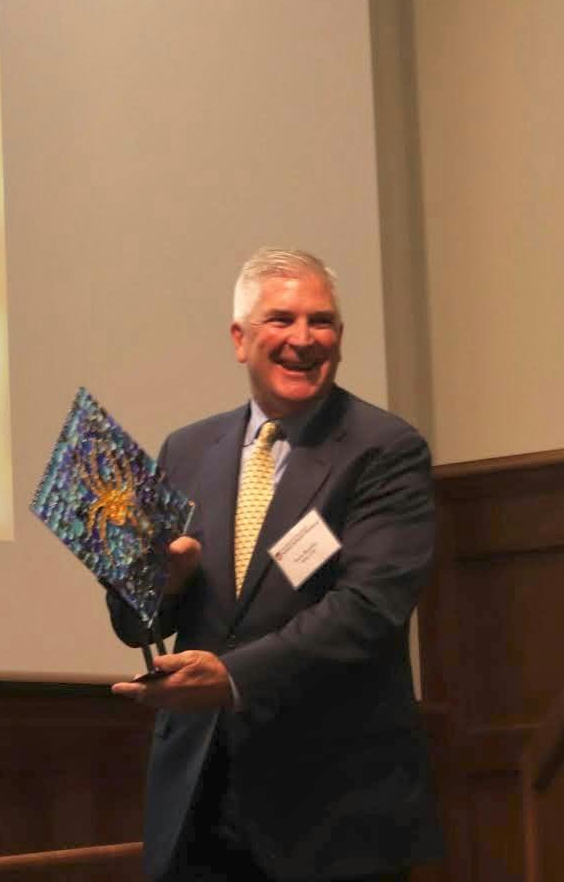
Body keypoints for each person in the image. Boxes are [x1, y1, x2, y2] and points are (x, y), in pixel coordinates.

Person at [106, 248, 443, 882]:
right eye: (281, 320)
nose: (303, 339)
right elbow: (134, 620)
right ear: (240, 339)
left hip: (332, 812)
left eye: (322, 322)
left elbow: (370, 609)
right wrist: (160, 583)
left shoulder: (385, 448)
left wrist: (231, 677)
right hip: (198, 800)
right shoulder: (186, 447)